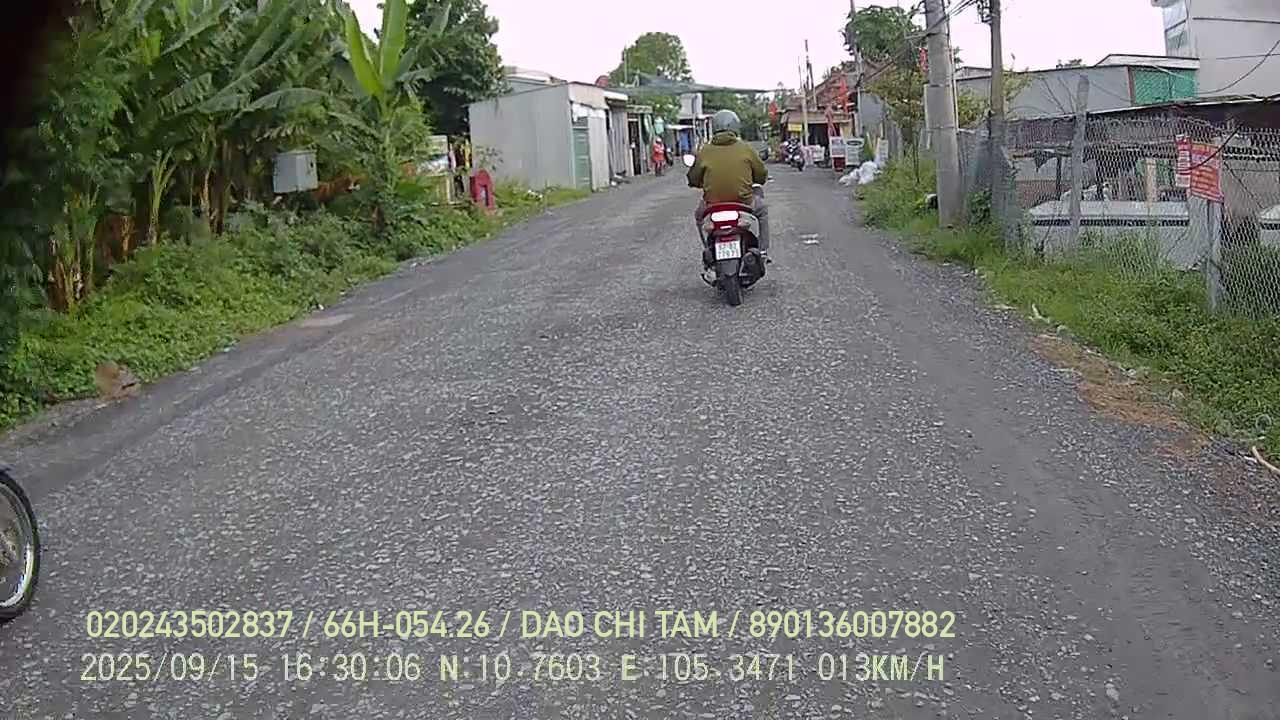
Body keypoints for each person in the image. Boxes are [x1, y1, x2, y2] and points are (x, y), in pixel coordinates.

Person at [686, 109, 771, 260]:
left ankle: (707, 248)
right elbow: (761, 174)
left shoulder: (705, 151)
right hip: (744, 202)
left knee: (699, 216)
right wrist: (756, 179)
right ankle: (763, 251)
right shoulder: (746, 149)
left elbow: (693, 178)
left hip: (712, 204)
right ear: (735, 127)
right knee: (762, 211)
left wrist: (699, 183)